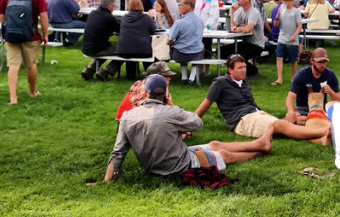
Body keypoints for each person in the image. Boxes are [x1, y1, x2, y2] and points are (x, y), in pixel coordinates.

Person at [105, 75, 273, 184]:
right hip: (181, 165)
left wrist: (108, 181)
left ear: (146, 93)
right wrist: (171, 104)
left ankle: (258, 143)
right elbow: (197, 123)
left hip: (154, 165)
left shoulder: (127, 116)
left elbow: (118, 153)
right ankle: (260, 150)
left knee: (214, 143)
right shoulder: (171, 112)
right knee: (224, 155)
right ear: (165, 93)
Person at [195, 55, 332, 143]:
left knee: (290, 123)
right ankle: (326, 132)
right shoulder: (220, 83)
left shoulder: (244, 81)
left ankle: (324, 136)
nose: (243, 70)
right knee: (280, 126)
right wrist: (190, 124)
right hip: (242, 120)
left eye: (244, 67)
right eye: (239, 68)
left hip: (257, 113)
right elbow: (205, 105)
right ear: (230, 70)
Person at [0, 0, 49, 104]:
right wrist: (45, 34)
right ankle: (32, 91)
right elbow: (43, 16)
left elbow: (2, 16)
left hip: (11, 34)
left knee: (13, 66)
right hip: (31, 34)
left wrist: (5, 31)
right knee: (31, 64)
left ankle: (13, 97)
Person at [284, 47, 340, 125]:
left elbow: (339, 100)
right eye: (319, 62)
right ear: (312, 61)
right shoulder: (302, 74)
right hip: (303, 109)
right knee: (290, 116)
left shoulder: (330, 75)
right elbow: (290, 97)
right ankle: (318, 121)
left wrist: (331, 92)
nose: (322, 65)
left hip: (321, 108)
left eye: (324, 62)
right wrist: (291, 113)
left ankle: (309, 122)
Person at [219, 0, 264, 76]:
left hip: (256, 45)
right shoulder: (240, 11)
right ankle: (236, 71)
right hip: (245, 43)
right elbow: (232, 27)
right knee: (220, 51)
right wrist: (232, 12)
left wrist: (237, 28)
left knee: (237, 57)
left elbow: (248, 29)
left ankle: (252, 71)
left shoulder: (253, 12)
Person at [81, 0, 121, 81]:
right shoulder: (109, 17)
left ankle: (89, 69)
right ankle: (106, 71)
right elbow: (120, 30)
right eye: (114, 6)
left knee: (107, 47)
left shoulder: (93, 13)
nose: (114, 8)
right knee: (124, 51)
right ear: (110, 6)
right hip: (98, 49)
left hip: (85, 47)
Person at [115, 0, 157, 80]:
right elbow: (153, 30)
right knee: (145, 51)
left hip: (124, 50)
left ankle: (130, 76)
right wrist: (152, 19)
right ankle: (149, 75)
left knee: (131, 50)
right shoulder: (146, 18)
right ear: (141, 5)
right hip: (143, 50)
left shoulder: (124, 18)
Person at [166, 0, 204, 72]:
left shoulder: (179, 23)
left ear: (188, 6)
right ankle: (192, 77)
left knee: (177, 48)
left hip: (181, 55)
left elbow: (169, 41)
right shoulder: (200, 21)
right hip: (198, 53)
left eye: (180, 5)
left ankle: (184, 76)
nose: (179, 7)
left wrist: (173, 42)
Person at [273, 0, 302, 86]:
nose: (285, 2)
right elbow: (276, 24)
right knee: (279, 57)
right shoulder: (281, 8)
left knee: (293, 60)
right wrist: (277, 15)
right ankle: (279, 78)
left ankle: (294, 78)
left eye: (287, 0)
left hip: (292, 39)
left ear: (292, 0)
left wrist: (295, 35)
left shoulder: (296, 12)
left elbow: (299, 25)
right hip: (282, 37)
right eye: (283, 0)